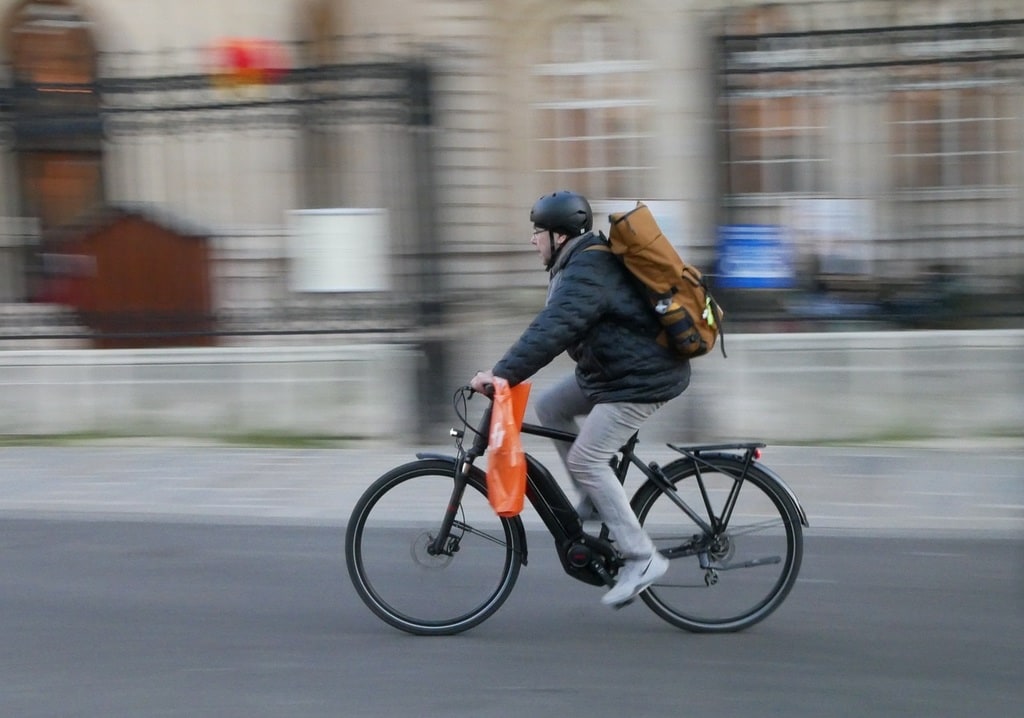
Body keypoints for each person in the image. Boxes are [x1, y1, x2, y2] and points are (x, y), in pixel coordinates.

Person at [470, 190, 690, 607]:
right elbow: (547, 326)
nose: (533, 240)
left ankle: (642, 558)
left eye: (538, 232)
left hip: (642, 379)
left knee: (587, 458)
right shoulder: (575, 264)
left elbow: (553, 329)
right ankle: (593, 497)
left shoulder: (588, 268)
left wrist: (499, 375)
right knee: (551, 406)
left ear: (559, 235)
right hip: (611, 374)